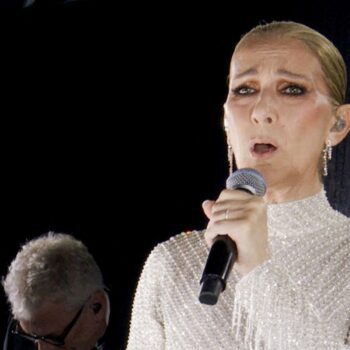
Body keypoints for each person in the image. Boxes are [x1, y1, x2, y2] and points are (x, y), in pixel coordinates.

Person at [126, 20, 350, 349]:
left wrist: (259, 265)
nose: (261, 111)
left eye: (292, 89)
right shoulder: (171, 263)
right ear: (226, 121)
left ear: (338, 123)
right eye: (245, 90)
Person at [2, 232, 112, 350]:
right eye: (30, 336)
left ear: (97, 307)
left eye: (54, 339)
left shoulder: (133, 333)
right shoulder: (28, 325)